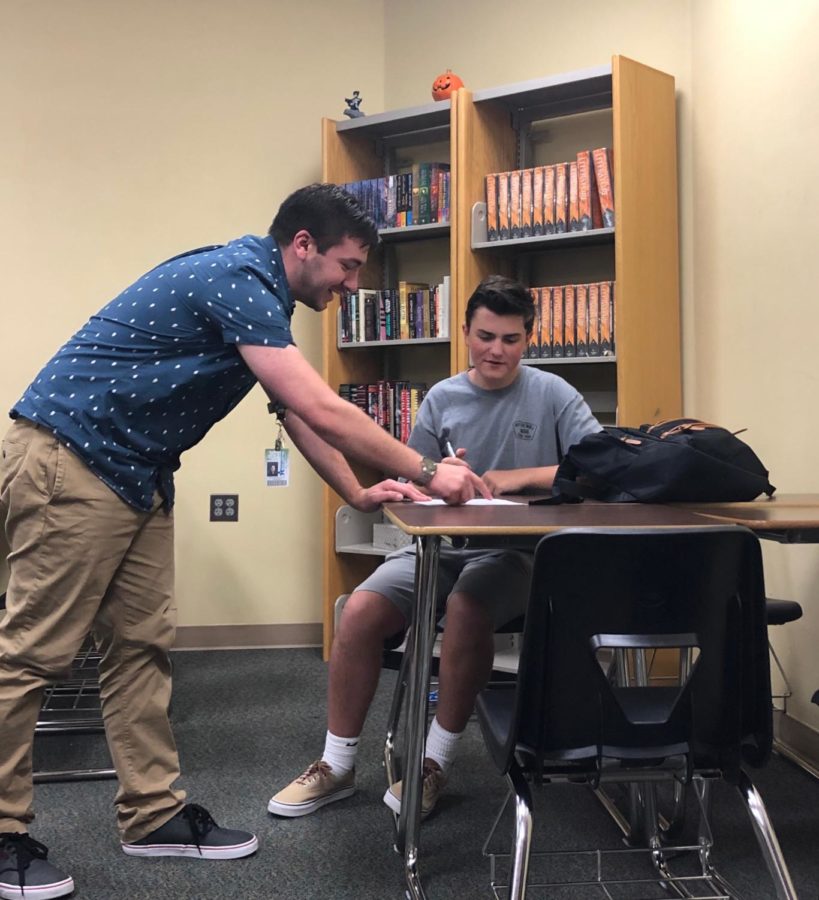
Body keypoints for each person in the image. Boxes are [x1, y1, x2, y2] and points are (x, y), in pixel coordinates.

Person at [0, 183, 488, 900]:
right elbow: (322, 403)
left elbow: (298, 415)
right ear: (302, 247)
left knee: (140, 646)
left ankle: (151, 816)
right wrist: (423, 470)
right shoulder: (237, 279)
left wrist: (357, 492)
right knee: (32, 654)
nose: (352, 284)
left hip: (134, 472)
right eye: (347, 267)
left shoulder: (262, 295)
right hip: (69, 460)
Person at [268, 275, 602, 821]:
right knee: (359, 611)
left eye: (511, 339)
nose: (496, 350)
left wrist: (515, 477)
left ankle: (433, 763)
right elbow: (416, 486)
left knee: (468, 607)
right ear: (466, 332)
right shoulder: (443, 399)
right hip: (439, 547)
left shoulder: (555, 394)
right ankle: (336, 765)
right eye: (486, 336)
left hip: (517, 556)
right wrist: (436, 478)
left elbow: (598, 467)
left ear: (529, 339)